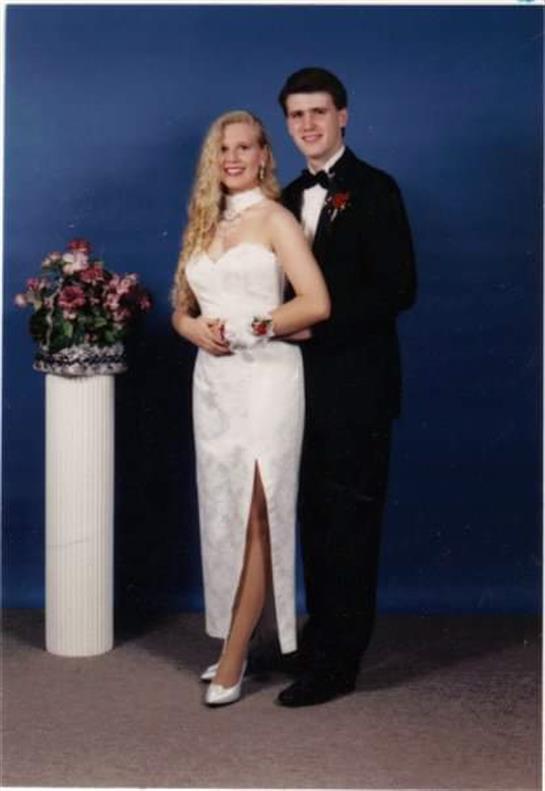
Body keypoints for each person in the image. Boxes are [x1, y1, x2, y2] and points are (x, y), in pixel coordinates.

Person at [171, 110, 330, 707]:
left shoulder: (276, 219)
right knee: (225, 512)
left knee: (259, 512)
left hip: (266, 379)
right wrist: (189, 328)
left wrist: (251, 326)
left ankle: (235, 654)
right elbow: (182, 307)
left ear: (264, 155)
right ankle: (242, 636)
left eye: (244, 147)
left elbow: (315, 303)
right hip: (214, 385)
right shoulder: (205, 222)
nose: (233, 158)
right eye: (223, 149)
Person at [275, 67, 416, 707]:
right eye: (296, 115)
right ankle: (319, 638)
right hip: (293, 389)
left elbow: (398, 289)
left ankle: (339, 663)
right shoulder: (283, 198)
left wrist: (315, 328)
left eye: (319, 112)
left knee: (350, 525)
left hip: (357, 388)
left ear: (343, 116)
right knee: (311, 517)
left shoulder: (376, 188)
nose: (308, 124)